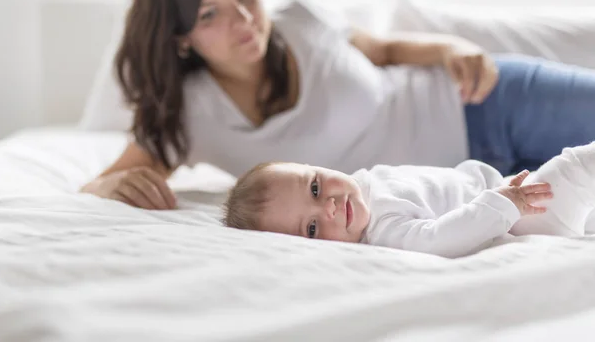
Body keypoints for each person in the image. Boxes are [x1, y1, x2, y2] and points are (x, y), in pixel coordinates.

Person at [80, 0, 595, 211]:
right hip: (467, 192)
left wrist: (448, 47)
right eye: (209, 14)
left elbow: (387, 49)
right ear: (180, 35)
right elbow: (103, 184)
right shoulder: (187, 115)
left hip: (486, 102)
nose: (242, 21)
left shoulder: (300, 19)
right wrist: (112, 186)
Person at [222, 142, 595, 258]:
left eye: (315, 188)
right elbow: (439, 237)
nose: (330, 206)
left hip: (510, 196)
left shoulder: (368, 183)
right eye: (314, 227)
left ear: (314, 165)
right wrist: (503, 204)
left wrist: (499, 189)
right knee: (576, 166)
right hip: (522, 220)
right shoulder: (384, 230)